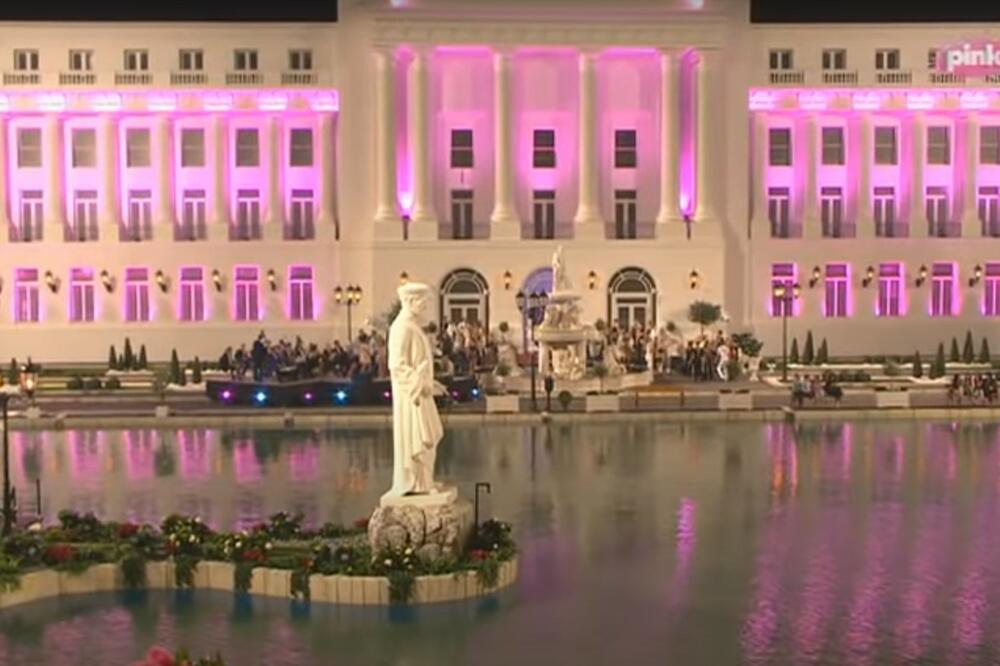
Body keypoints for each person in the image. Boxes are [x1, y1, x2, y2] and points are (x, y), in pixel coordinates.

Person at [384, 282, 446, 499]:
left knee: (428, 436)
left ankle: (424, 480)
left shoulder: (411, 326)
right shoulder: (401, 328)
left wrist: (431, 382)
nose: (426, 306)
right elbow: (397, 365)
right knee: (418, 437)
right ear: (410, 301)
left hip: (421, 391)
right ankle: (417, 482)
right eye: (423, 301)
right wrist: (420, 383)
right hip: (413, 396)